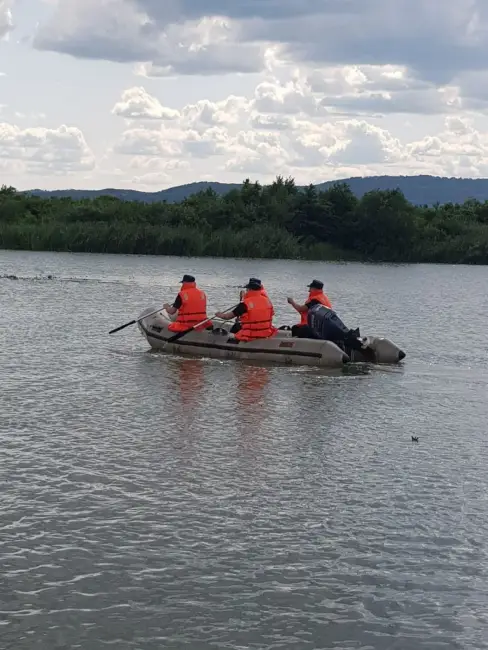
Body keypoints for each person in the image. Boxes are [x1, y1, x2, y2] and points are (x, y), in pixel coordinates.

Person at [306, 302, 375, 360]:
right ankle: (360, 348)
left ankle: (357, 348)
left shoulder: (311, 312)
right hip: (332, 323)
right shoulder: (321, 306)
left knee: (344, 337)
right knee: (345, 335)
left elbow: (315, 331)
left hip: (328, 328)